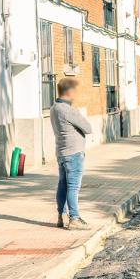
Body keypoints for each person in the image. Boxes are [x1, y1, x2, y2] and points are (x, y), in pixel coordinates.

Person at [50, 78, 93, 230]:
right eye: (75, 91)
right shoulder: (68, 110)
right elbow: (88, 128)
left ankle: (62, 216)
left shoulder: (54, 108)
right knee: (73, 187)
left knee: (62, 185)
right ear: (69, 92)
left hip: (61, 152)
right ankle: (74, 218)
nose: (76, 94)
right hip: (74, 153)